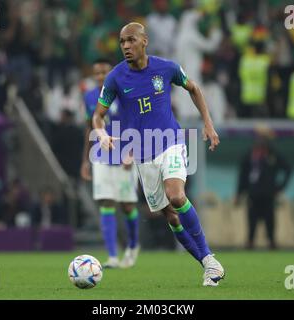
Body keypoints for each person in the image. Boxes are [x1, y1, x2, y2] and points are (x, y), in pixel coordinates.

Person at [92, 22, 224, 287]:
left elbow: (194, 89)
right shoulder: (116, 77)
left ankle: (209, 258)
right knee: (171, 216)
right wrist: (102, 133)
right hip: (143, 154)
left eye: (131, 40)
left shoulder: (167, 68)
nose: (126, 46)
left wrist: (208, 123)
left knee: (176, 196)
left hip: (171, 142)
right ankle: (206, 264)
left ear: (144, 41)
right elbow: (98, 115)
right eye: (122, 42)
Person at [80, 58, 140, 269]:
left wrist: (132, 151)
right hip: (100, 155)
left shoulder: (124, 92)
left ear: (111, 73)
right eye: (96, 72)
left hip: (124, 154)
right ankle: (113, 256)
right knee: (106, 202)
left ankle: (133, 246)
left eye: (104, 72)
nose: (100, 76)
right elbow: (90, 127)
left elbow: (136, 122)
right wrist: (85, 161)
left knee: (127, 205)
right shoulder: (89, 96)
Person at [236, 126, 291, 250]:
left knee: (270, 220)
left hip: (268, 194)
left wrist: (280, 187)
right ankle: (250, 244)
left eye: (263, 138)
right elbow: (243, 175)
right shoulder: (250, 154)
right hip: (253, 193)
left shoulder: (273, 154)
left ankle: (272, 243)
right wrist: (239, 193)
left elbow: (288, 169)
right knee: (251, 221)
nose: (260, 141)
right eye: (259, 137)